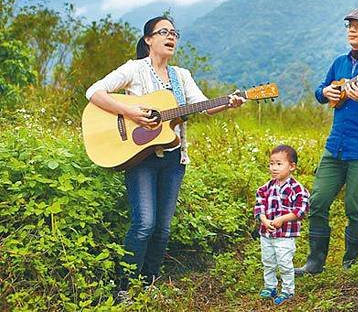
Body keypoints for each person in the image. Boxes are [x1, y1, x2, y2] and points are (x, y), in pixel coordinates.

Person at [85, 16, 245, 297]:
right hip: (140, 159)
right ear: (148, 39)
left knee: (162, 228)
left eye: (174, 33)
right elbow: (93, 92)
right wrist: (130, 112)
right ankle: (124, 288)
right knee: (144, 223)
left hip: (173, 159)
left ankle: (148, 284)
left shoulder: (181, 76)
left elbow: (203, 107)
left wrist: (227, 103)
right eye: (164, 32)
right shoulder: (134, 70)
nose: (170, 37)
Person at [295, 8, 358, 275]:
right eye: (349, 26)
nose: (352, 30)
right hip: (335, 147)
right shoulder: (339, 63)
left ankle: (349, 264)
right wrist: (324, 91)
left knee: (354, 206)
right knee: (317, 201)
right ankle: (314, 262)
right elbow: (321, 91)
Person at [254, 145, 309, 306]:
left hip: (285, 235)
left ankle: (287, 290)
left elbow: (301, 210)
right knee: (268, 261)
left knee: (284, 263)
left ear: (291, 166)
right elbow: (259, 206)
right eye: (271, 163)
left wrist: (282, 219)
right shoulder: (265, 188)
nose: (274, 168)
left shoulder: (297, 189)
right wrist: (264, 220)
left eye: (279, 164)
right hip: (267, 234)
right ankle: (270, 286)